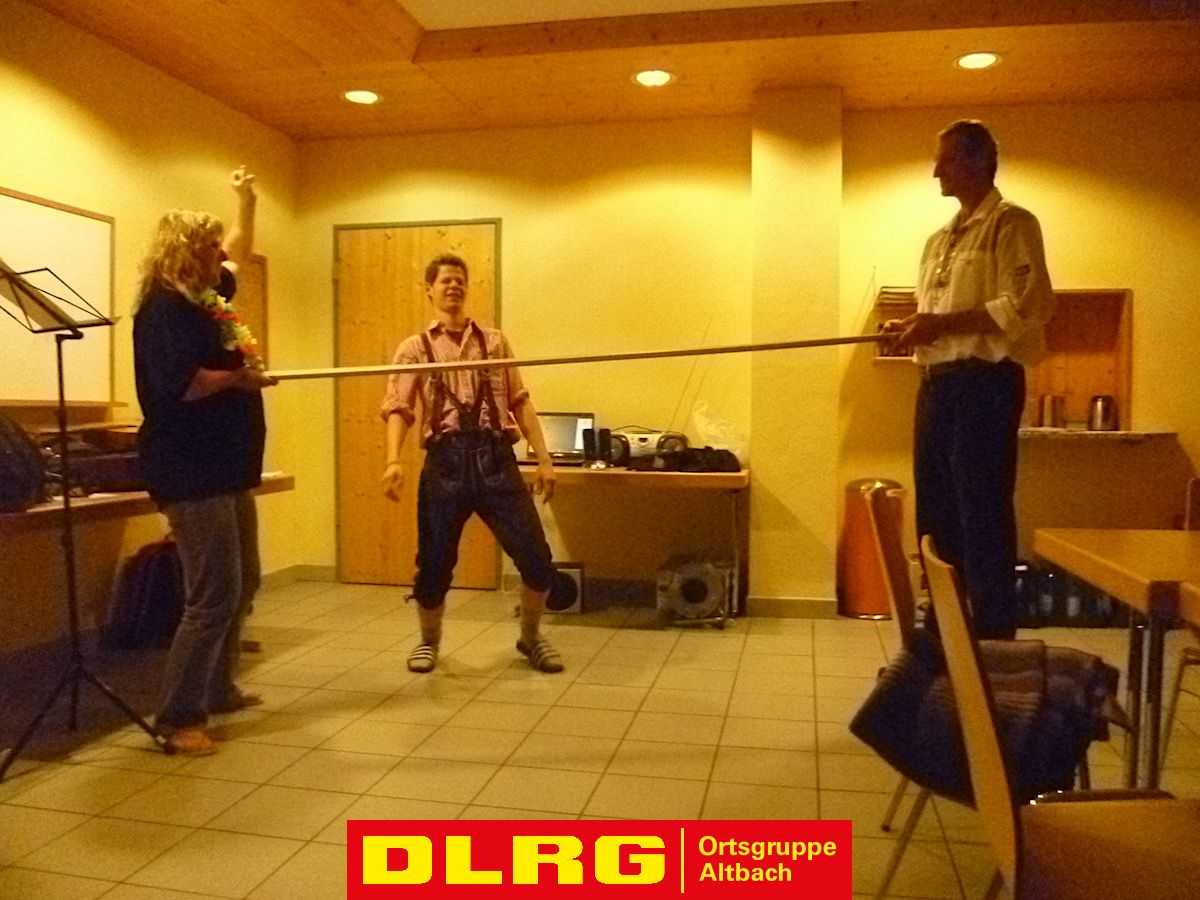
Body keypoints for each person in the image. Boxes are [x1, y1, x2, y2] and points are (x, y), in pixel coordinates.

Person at [888, 120, 1054, 640]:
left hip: (985, 384)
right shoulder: (938, 239)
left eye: (948, 159)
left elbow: (1027, 304)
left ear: (981, 161)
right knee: (935, 512)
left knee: (981, 510)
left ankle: (992, 637)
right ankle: (944, 629)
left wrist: (940, 325)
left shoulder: (1012, 224)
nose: (936, 170)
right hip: (936, 384)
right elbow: (939, 314)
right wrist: (913, 328)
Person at [133, 167, 276, 755]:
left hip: (228, 466)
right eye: (211, 246)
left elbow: (239, 247)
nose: (222, 254)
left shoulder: (208, 298)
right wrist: (240, 377)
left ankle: (217, 688)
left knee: (245, 581)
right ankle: (177, 717)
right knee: (213, 593)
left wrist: (246, 202)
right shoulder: (165, 310)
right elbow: (184, 385)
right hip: (190, 471)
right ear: (188, 251)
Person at [380, 253, 564, 674]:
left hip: (497, 460)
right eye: (445, 280)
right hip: (444, 465)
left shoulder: (495, 343)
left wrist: (544, 458)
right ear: (429, 290)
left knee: (537, 559)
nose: (454, 286)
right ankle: (428, 642)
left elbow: (520, 400)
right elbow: (398, 406)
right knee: (433, 566)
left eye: (460, 280)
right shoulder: (414, 349)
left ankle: (531, 637)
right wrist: (392, 460)